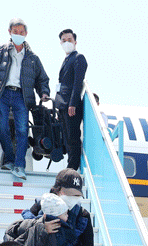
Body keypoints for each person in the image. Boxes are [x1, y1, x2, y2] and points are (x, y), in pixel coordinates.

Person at [0, 18, 50, 180]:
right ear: (10, 32)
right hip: (3, 94)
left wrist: (44, 93)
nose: (18, 34)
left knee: (22, 130)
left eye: (21, 32)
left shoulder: (33, 58)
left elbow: (42, 79)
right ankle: (10, 160)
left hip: (22, 97)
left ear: (25, 33)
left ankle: (19, 165)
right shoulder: (1, 51)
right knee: (3, 127)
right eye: (15, 32)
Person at [56, 28, 87, 170]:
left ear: (75, 42)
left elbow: (77, 83)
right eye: (64, 41)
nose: (66, 43)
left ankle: (73, 168)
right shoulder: (65, 60)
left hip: (71, 105)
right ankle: (70, 166)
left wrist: (73, 103)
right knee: (67, 139)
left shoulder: (78, 58)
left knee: (73, 139)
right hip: (62, 105)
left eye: (69, 40)